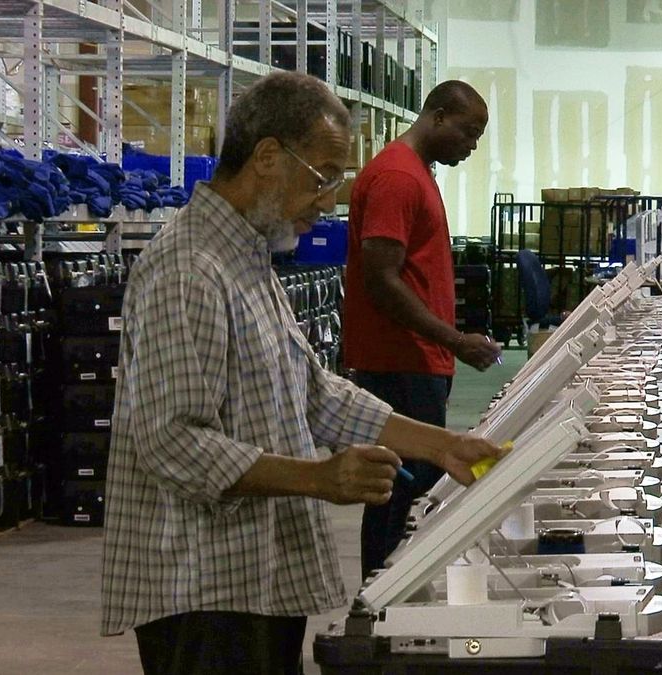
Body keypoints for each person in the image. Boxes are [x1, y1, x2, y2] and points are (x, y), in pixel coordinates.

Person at [100, 71, 501, 675]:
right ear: (267, 157)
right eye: (324, 176)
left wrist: (444, 446)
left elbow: (311, 391)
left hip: (253, 577)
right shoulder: (188, 270)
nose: (330, 199)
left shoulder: (247, 259)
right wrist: (319, 478)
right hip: (202, 587)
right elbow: (174, 441)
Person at [342, 80, 503, 578]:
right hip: (399, 361)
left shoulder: (416, 173)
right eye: (467, 132)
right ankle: (381, 603)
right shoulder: (398, 178)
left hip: (416, 359)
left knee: (406, 490)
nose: (471, 146)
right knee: (403, 490)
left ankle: (386, 595)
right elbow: (381, 281)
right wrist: (453, 340)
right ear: (436, 116)